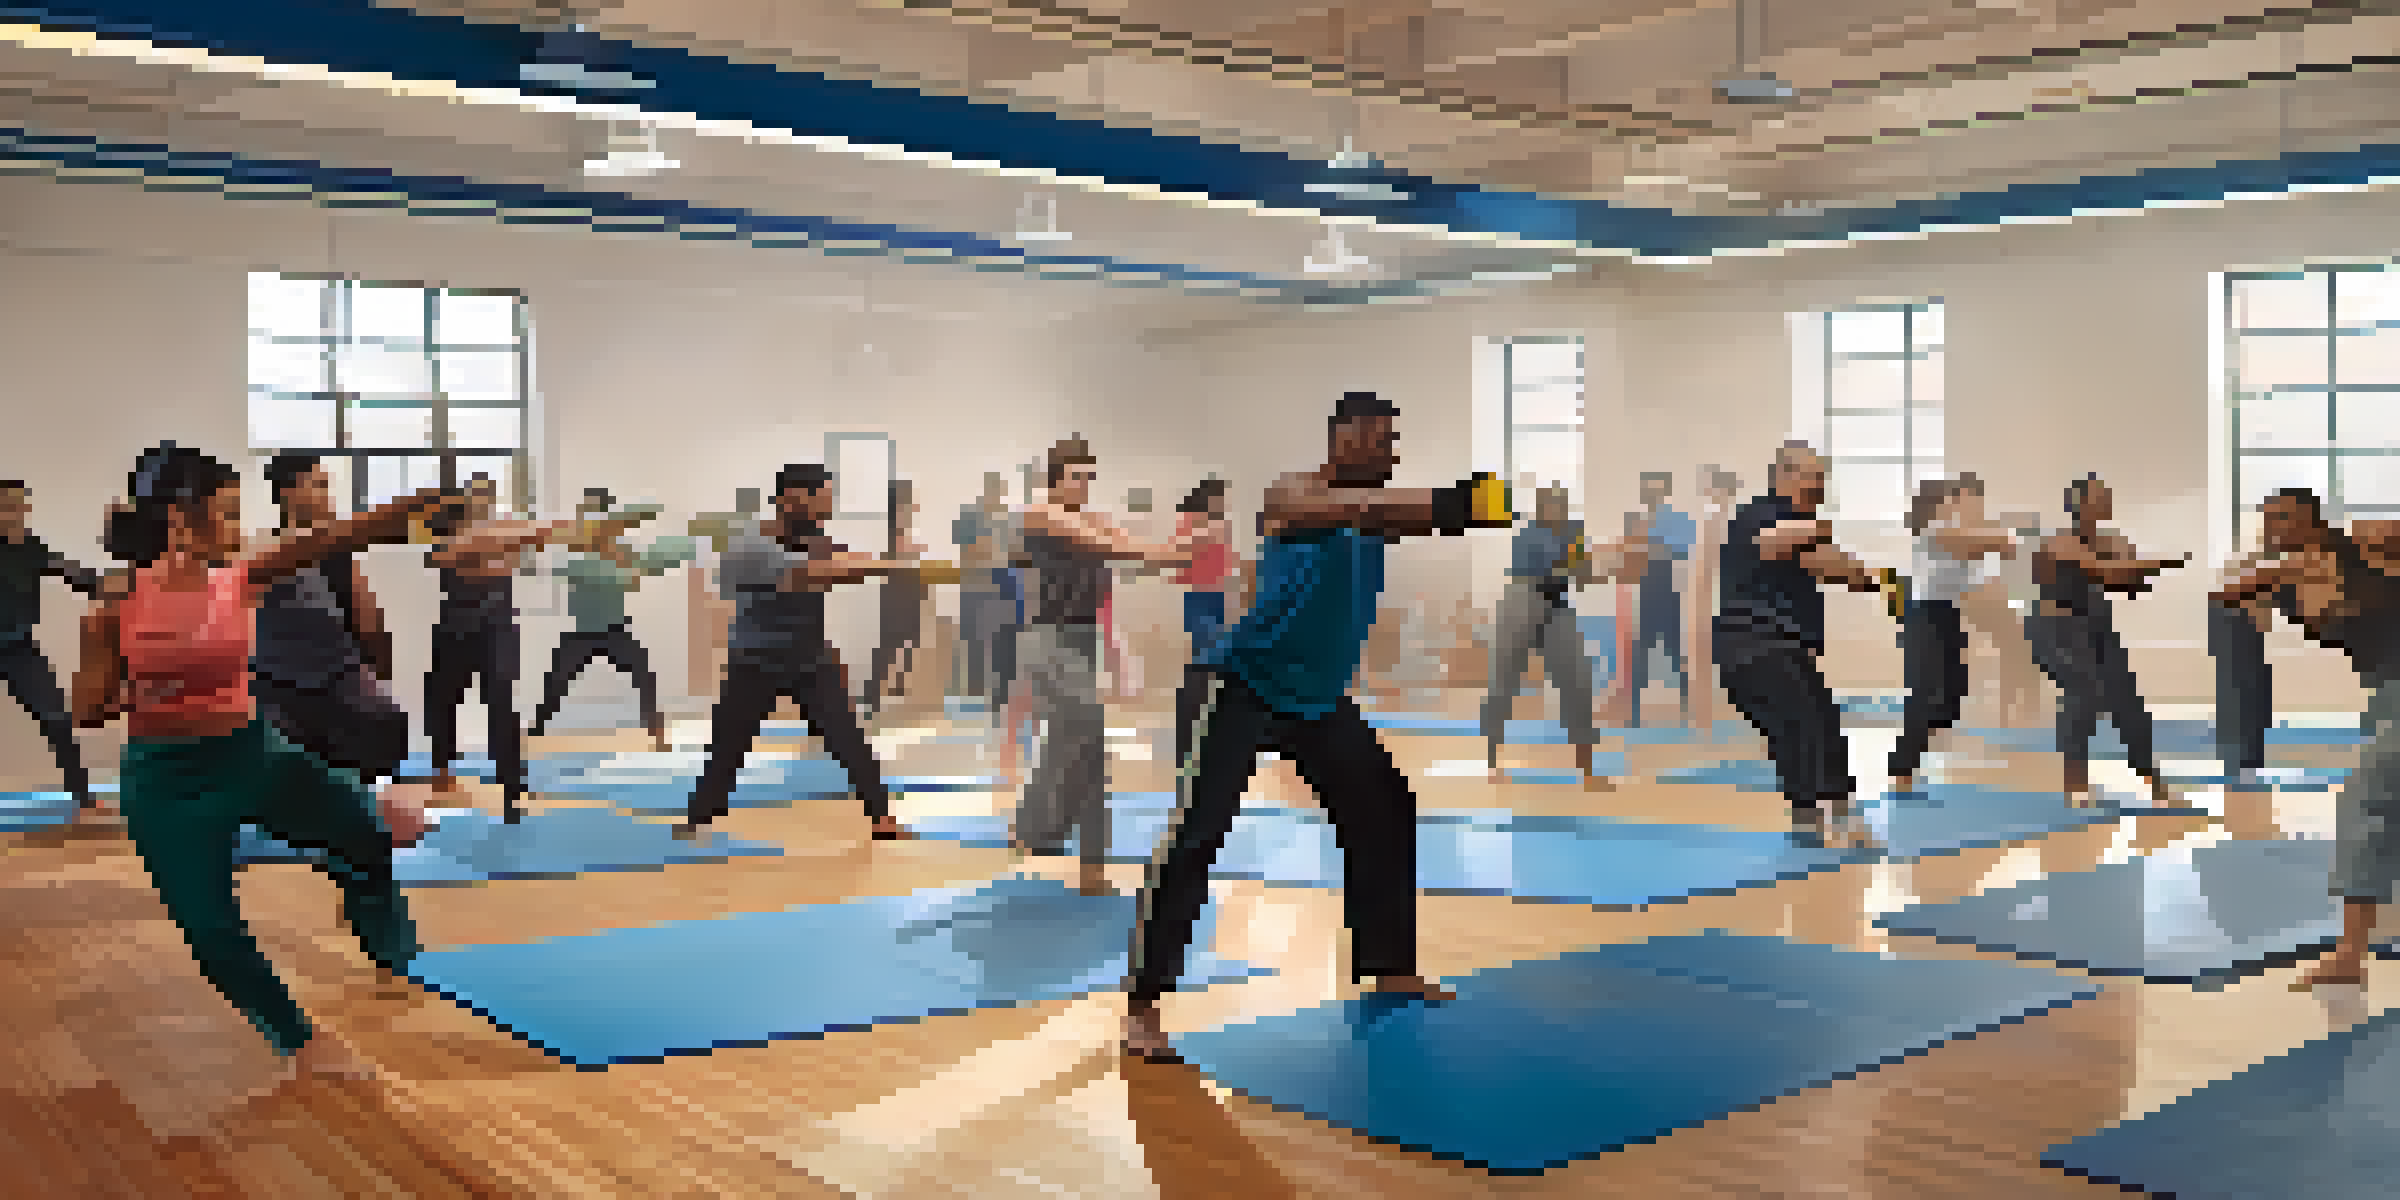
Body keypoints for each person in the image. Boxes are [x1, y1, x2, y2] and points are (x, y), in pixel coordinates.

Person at [1124, 390, 1515, 1062]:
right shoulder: (1292, 495)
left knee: (1386, 807)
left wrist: (1469, 508)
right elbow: (1351, 509)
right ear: (1343, 437)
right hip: (1241, 685)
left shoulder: (1377, 515)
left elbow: (1403, 515)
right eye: (1381, 439)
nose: (1391, 452)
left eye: (1395, 441)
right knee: (1196, 836)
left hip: (1317, 700)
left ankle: (1389, 964)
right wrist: (1456, 501)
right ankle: (1142, 1005)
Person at [69, 442, 456, 1080]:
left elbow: (333, 536)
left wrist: (411, 506)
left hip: (254, 755)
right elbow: (86, 709)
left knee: (364, 832)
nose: (238, 526)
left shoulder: (242, 575)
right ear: (180, 520)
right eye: (226, 513)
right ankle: (300, 1041)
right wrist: (139, 690)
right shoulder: (112, 610)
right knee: (208, 928)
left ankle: (386, 938)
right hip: (168, 783)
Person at [2214, 489, 2400, 988]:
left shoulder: (2362, 542)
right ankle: (2349, 957)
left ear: (2312, 518)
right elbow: (2231, 591)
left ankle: (2348, 958)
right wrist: (2283, 570)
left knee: (2366, 804)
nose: (2276, 526)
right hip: (2387, 686)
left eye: (2285, 516)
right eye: (2268, 518)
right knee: (2374, 806)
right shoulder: (2287, 580)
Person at [682, 463, 919, 842]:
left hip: (810, 659)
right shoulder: (750, 545)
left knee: (848, 738)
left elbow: (841, 562)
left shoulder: (817, 539)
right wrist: (885, 565)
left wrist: (883, 560)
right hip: (754, 660)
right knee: (729, 745)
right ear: (791, 498)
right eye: (822, 501)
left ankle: (882, 819)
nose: (827, 510)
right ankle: (697, 820)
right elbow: (807, 575)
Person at [1015, 439, 1193, 896]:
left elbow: (1123, 541)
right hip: (1050, 638)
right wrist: (1168, 555)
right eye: (1076, 477)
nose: (1083, 486)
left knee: (1064, 741)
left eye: (1088, 478)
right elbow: (1107, 545)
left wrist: (1170, 549)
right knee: (1090, 742)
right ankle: (1091, 861)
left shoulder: (1088, 518)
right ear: (1054, 479)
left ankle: (1034, 830)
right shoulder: (1041, 512)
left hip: (1082, 638)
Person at [1713, 443, 1892, 844]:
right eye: (1813, 478)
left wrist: (1880, 580)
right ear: (1786, 476)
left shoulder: (1799, 527)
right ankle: (1837, 821)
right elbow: (1773, 541)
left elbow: (1831, 566)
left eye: (1822, 480)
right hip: (1754, 642)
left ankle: (1814, 821)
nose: (1820, 487)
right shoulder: (1760, 513)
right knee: (1812, 724)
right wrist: (1821, 528)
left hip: (1774, 647)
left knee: (1804, 730)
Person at [424, 476, 587, 822]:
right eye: (476, 495)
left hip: (496, 628)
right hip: (454, 628)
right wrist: (492, 551)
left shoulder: (507, 527)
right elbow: (449, 560)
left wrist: (499, 550)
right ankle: (442, 770)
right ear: (467, 499)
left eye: (487, 495)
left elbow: (515, 554)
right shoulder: (449, 531)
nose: (482, 500)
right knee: (441, 699)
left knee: (502, 704)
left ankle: (512, 789)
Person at [2026, 474, 2186, 807]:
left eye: (2106, 495)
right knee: (2084, 692)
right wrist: (2156, 562)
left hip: (2096, 627)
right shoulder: (2061, 541)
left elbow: (2126, 583)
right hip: (2055, 628)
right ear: (2079, 505)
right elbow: (2109, 572)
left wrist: (2138, 572)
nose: (2106, 500)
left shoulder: (2112, 540)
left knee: (2127, 699)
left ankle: (2153, 780)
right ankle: (2075, 784)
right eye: (2098, 496)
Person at [253, 455, 409, 787]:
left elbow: (369, 623)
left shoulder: (336, 553)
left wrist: (376, 675)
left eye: (326, 486)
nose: (327, 495)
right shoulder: (266, 553)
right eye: (319, 485)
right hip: (280, 686)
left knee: (382, 726)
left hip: (336, 680)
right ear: (289, 492)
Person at [1480, 484, 1646, 788]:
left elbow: (1580, 575)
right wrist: (1610, 562)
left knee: (1578, 680)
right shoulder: (1529, 533)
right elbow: (1559, 569)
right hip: (1522, 601)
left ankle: (1588, 771)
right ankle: (1492, 762)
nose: (1555, 511)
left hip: (1556, 605)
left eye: (1560, 506)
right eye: (1550, 506)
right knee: (1503, 681)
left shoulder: (1573, 531)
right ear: (1541, 509)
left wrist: (1614, 571)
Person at [1888, 474, 2018, 793]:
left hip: (1946, 616)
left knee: (1953, 692)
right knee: (1925, 693)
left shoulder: (1959, 536)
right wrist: (2002, 538)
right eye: (1955, 499)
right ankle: (1903, 769)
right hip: (1923, 617)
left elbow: (1989, 560)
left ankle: (1923, 743)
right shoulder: (1936, 530)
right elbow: (1992, 544)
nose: (1961, 505)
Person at [528, 498, 685, 751]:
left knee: (644, 677)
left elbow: (638, 575)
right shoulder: (576, 553)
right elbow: (580, 571)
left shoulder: (620, 550)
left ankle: (658, 734)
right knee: (556, 681)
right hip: (582, 632)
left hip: (615, 630)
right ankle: (536, 729)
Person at [0, 479, 104, 814]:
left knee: (57, 717)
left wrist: (121, 584)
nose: (14, 513)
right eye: (6, 506)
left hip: (20, 650)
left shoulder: (31, 547)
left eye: (19, 506)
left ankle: (83, 797)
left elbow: (75, 574)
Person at [1624, 471, 1696, 729]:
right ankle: (1633, 713)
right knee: (1640, 656)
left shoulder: (1677, 519)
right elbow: (1630, 554)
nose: (1651, 493)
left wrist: (1653, 545)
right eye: (1647, 489)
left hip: (1668, 594)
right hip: (1647, 594)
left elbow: (1684, 549)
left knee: (1676, 654)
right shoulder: (1636, 520)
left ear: (1665, 491)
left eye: (1655, 488)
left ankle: (1687, 710)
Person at [2211, 527, 2278, 786]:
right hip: (2233, 625)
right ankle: (2240, 764)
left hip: (2239, 627)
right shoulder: (2253, 564)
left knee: (2252, 694)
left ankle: (2245, 763)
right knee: (2240, 694)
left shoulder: (2259, 562)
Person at [864, 480, 928, 725]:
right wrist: (911, 554)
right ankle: (873, 700)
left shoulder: (903, 529)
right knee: (890, 647)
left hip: (906, 589)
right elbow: (894, 558)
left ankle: (886, 694)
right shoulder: (892, 531)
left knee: (904, 643)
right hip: (898, 591)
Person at [1685, 466, 1741, 742]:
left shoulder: (1718, 518)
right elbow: (1702, 566)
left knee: (1708, 662)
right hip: (1714, 600)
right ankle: (1703, 722)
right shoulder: (1715, 517)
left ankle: (1704, 722)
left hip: (1718, 601)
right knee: (1703, 663)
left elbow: (1705, 566)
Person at [953, 472, 1015, 705]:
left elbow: (1015, 554)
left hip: (1001, 590)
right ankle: (975, 696)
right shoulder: (969, 517)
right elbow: (968, 552)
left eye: (1000, 492)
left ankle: (1002, 698)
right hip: (975, 589)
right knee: (975, 646)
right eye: (993, 491)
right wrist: (989, 551)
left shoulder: (1008, 520)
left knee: (1004, 646)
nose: (996, 496)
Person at [1172, 479, 1236, 663]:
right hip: (1199, 592)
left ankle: (1207, 675)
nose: (1223, 503)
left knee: (1215, 643)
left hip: (1218, 591)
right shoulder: (1191, 519)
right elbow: (1182, 549)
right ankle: (1200, 677)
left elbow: (1225, 556)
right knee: (1205, 645)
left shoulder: (1220, 522)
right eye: (1220, 498)